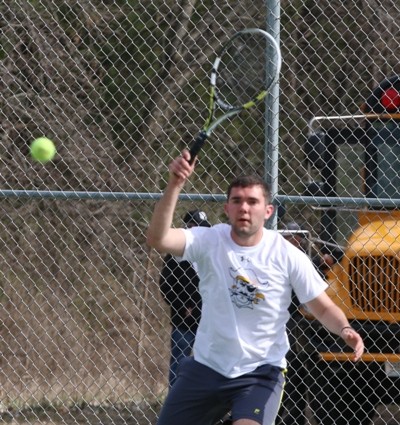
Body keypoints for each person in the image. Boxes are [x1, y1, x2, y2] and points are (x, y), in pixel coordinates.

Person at [146, 150, 365, 425]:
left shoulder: (287, 254)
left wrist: (344, 328)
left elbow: (322, 307)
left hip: (260, 373)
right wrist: (174, 185)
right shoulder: (209, 240)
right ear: (227, 209)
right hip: (206, 368)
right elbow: (158, 238)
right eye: (237, 201)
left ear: (268, 211)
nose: (244, 208)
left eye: (252, 201)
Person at [159, 209, 211, 387]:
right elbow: (166, 285)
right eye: (194, 228)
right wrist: (183, 307)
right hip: (184, 321)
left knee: (210, 364)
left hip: (210, 321)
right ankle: (175, 397)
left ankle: (206, 400)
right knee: (179, 362)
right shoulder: (176, 256)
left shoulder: (212, 254)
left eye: (203, 229)